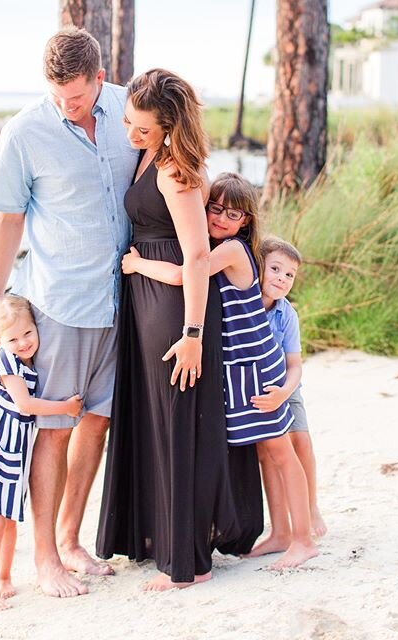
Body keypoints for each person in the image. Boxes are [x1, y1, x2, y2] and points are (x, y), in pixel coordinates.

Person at [0, 27, 139, 597]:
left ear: (100, 77)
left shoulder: (130, 107)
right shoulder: (24, 131)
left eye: (76, 95)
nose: (67, 106)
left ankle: (71, 539)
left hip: (123, 303)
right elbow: (8, 216)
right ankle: (44, 558)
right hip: (61, 305)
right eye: (57, 95)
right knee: (53, 429)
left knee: (96, 420)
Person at [120, 172, 318, 569]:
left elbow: (183, 274)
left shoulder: (232, 250)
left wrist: (137, 264)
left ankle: (304, 539)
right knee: (267, 452)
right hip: (238, 365)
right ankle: (280, 533)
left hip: (256, 365)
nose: (222, 218)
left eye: (234, 213)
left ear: (246, 221)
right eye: (215, 208)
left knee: (279, 452)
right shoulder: (224, 246)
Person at [96, 70, 245, 592]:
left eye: (141, 128)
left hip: (176, 313)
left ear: (168, 126)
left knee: (178, 426)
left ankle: (190, 564)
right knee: (155, 423)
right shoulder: (149, 153)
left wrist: (194, 333)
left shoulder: (177, 171)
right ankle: (161, 536)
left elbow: (199, 256)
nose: (130, 133)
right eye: (129, 123)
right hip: (147, 305)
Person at [0, 295, 83, 611]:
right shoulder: (5, 361)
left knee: (10, 521)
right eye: (13, 338)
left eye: (27, 333)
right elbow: (25, 405)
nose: (23, 342)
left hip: (13, 451)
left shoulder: (26, 362)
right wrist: (65, 408)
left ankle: (3, 578)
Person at [247, 236, 327, 565]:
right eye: (276, 269)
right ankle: (280, 531)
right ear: (258, 267)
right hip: (257, 389)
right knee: (268, 455)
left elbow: (295, 365)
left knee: (301, 443)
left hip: (286, 386)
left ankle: (309, 511)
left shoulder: (286, 315)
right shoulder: (244, 305)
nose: (282, 278)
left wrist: (284, 391)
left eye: (290, 275)